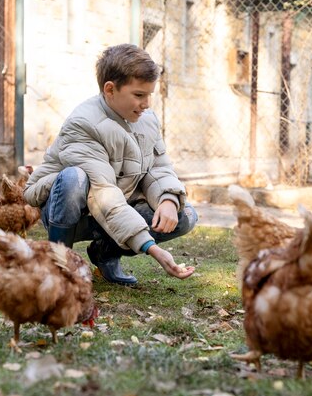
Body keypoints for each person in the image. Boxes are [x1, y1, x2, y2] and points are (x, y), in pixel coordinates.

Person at [23, 43, 198, 285]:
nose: (146, 103)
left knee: (185, 215)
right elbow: (103, 193)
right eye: (139, 95)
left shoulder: (146, 119)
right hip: (71, 209)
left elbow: (158, 168)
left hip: (113, 207)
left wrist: (168, 199)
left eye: (149, 95)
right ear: (110, 89)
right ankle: (58, 263)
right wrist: (151, 248)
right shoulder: (83, 124)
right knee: (75, 178)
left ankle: (105, 254)